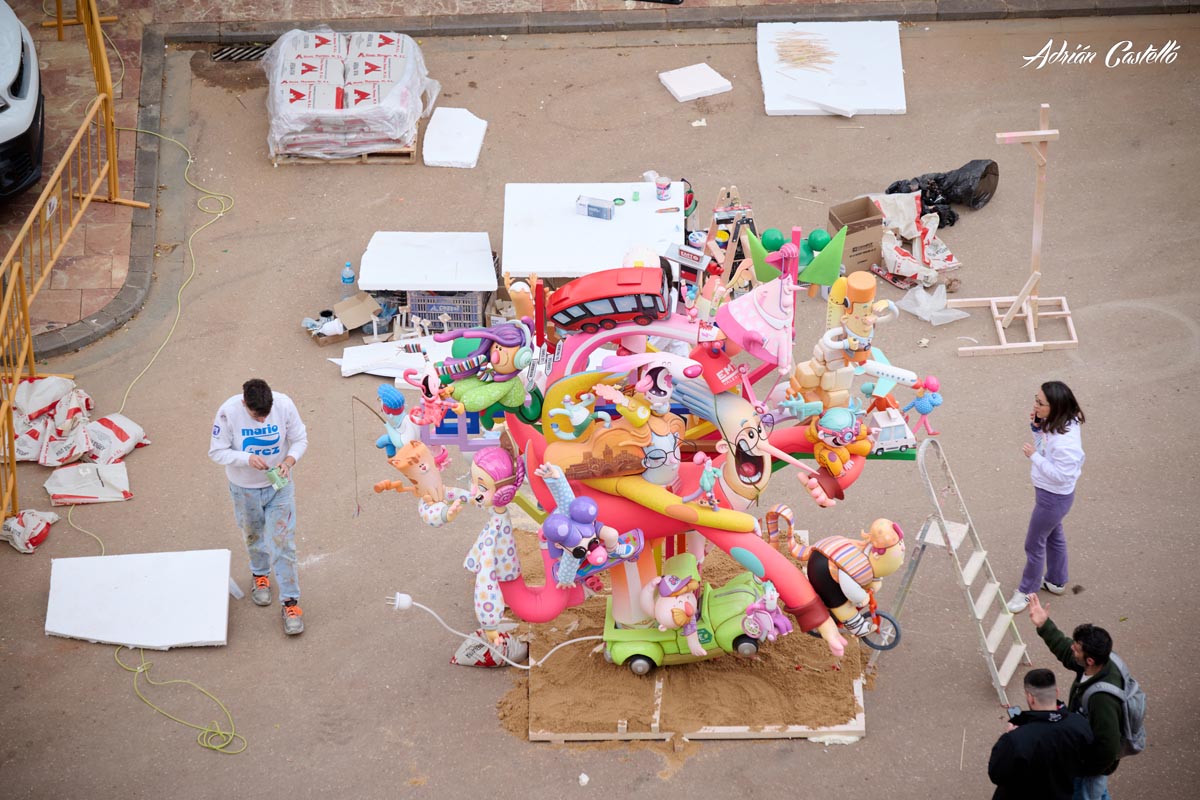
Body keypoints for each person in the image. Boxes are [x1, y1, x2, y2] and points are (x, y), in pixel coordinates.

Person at [209, 378, 309, 635]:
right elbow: (216, 452)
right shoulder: (227, 413)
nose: (263, 421)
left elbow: (300, 439)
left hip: (280, 486)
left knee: (283, 542)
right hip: (244, 490)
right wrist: (246, 458)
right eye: (257, 417)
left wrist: (289, 461)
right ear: (244, 404)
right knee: (252, 535)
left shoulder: (284, 405)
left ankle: (290, 602)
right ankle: (260, 575)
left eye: (266, 416)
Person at [1027, 595, 1124, 799]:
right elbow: (1065, 649)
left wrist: (1081, 769)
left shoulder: (1102, 699)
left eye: (1077, 649)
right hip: (1083, 758)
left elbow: (1108, 747)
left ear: (1089, 660)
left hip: (1088, 770)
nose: (1072, 648)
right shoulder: (1097, 664)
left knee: (1087, 795)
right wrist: (1044, 624)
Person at [1008, 381, 1085, 613]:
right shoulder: (1063, 422)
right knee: (1053, 535)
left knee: (1034, 544)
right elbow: (1045, 446)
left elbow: (1061, 475)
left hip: (1053, 498)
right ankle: (1056, 580)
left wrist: (1034, 457)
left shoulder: (1066, 444)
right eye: (1036, 399)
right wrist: (1037, 427)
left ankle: (1027, 591)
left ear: (1056, 406)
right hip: (1051, 496)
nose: (1035, 405)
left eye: (1040, 403)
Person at [988, 668, 1094, 799]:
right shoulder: (1080, 724)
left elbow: (997, 774)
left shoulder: (1015, 739)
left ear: (1030, 698)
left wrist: (1009, 736)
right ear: (1056, 692)